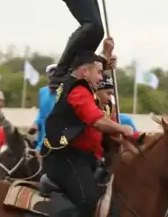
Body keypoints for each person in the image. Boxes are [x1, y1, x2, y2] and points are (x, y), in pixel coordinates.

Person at [41, 53, 134, 217]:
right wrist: (122, 128)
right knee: (89, 201)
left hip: (87, 160)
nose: (101, 77)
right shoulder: (79, 90)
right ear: (85, 72)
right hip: (67, 157)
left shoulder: (93, 98)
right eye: (99, 73)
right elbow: (97, 121)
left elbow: (106, 129)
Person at [30, 64, 58, 149]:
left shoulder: (64, 93)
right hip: (41, 136)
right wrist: (35, 123)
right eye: (50, 73)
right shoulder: (42, 91)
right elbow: (41, 113)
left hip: (56, 137)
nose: (52, 75)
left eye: (55, 73)